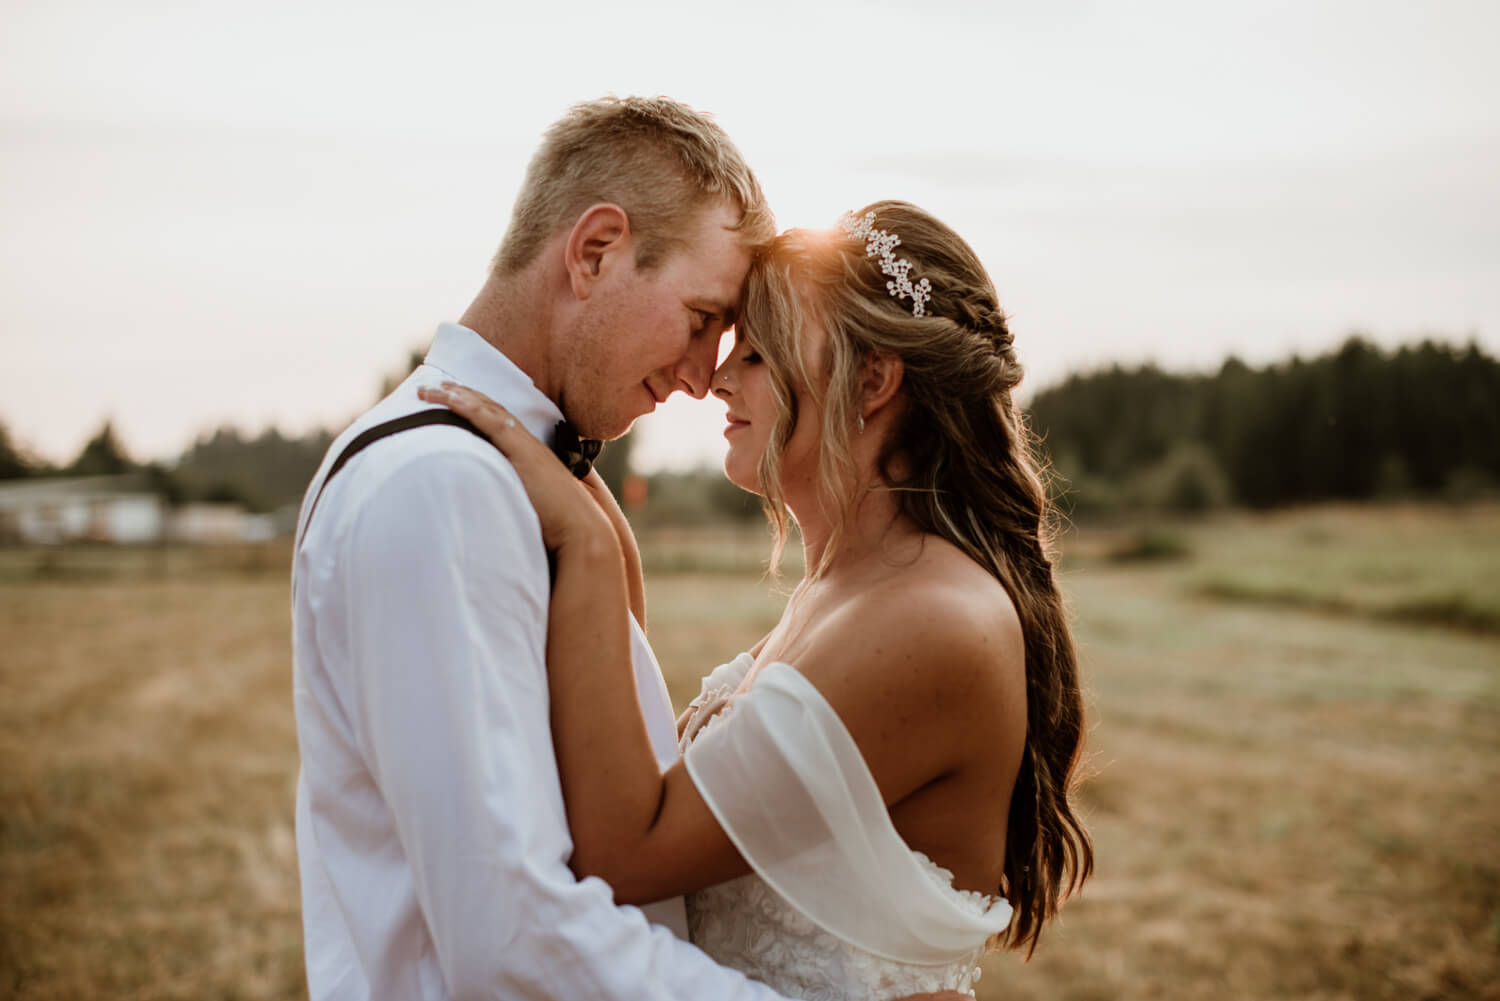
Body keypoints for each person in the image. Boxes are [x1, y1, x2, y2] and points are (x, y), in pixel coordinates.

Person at [291, 97, 968, 1001]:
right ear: (596, 250)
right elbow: (514, 939)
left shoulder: (512, 482)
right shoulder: (442, 489)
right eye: (699, 317)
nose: (702, 376)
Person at [420, 200, 1094, 1000]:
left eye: (759, 354)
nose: (717, 379)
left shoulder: (933, 621)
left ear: (873, 380)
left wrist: (592, 552)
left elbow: (628, 854)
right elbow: (670, 792)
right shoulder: (847, 585)